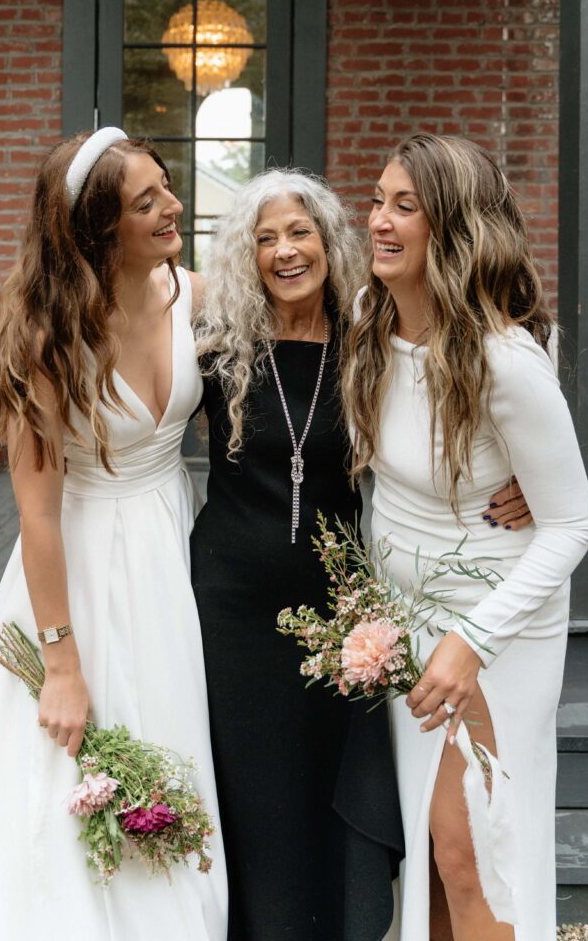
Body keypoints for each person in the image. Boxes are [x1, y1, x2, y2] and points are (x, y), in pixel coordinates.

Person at [189, 168, 526, 941]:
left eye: (299, 232)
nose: (284, 252)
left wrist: (529, 480)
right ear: (245, 254)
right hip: (231, 605)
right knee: (252, 784)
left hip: (343, 607)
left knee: (329, 775)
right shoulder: (216, 344)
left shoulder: (373, 336)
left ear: (327, 241)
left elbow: (497, 341)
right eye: (265, 238)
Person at [0, 128, 227, 940]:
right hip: (82, 564)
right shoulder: (48, 343)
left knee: (172, 737)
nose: (173, 206)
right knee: (69, 767)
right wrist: (60, 662)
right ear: (100, 230)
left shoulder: (190, 295)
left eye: (165, 186)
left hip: (173, 546)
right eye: (146, 202)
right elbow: (37, 514)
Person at [342, 133, 588, 941]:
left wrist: (474, 640)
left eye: (403, 207)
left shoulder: (505, 361)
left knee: (471, 847)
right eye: (377, 200)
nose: (379, 221)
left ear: (450, 228)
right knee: (431, 852)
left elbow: (570, 525)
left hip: (495, 627)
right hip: (404, 622)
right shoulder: (366, 320)